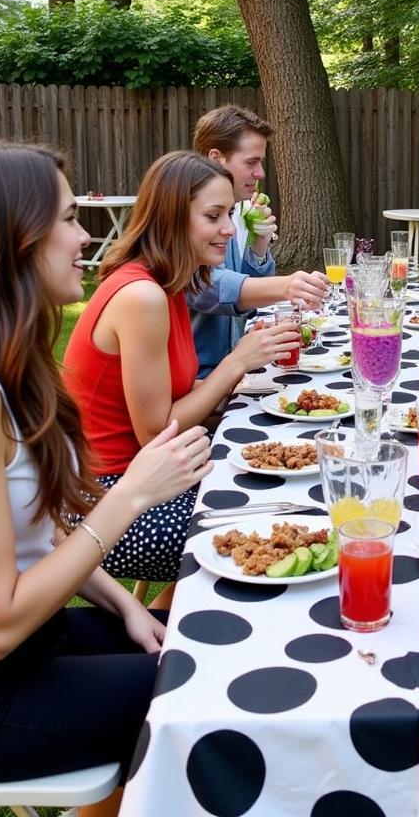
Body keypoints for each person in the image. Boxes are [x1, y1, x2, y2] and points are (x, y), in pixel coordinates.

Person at [0, 143, 209, 811]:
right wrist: (132, 497)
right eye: (66, 217)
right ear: (12, 239)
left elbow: (43, 531)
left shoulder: (1, 358)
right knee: (210, 694)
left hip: (34, 645)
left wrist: (125, 606)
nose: (84, 235)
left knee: (201, 636)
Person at [63, 151, 299, 582]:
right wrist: (236, 364)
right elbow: (156, 432)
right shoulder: (143, 296)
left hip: (152, 476)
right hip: (106, 502)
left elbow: (176, 395)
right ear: (171, 219)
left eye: (228, 213)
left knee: (285, 489)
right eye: (213, 216)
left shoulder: (169, 283)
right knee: (269, 532)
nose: (229, 228)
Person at [188, 104, 329, 376]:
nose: (261, 173)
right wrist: (287, 286)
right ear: (216, 158)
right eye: (251, 162)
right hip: (202, 380)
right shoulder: (190, 212)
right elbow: (206, 287)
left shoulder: (237, 209)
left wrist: (259, 242)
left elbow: (249, 295)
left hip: (234, 366)